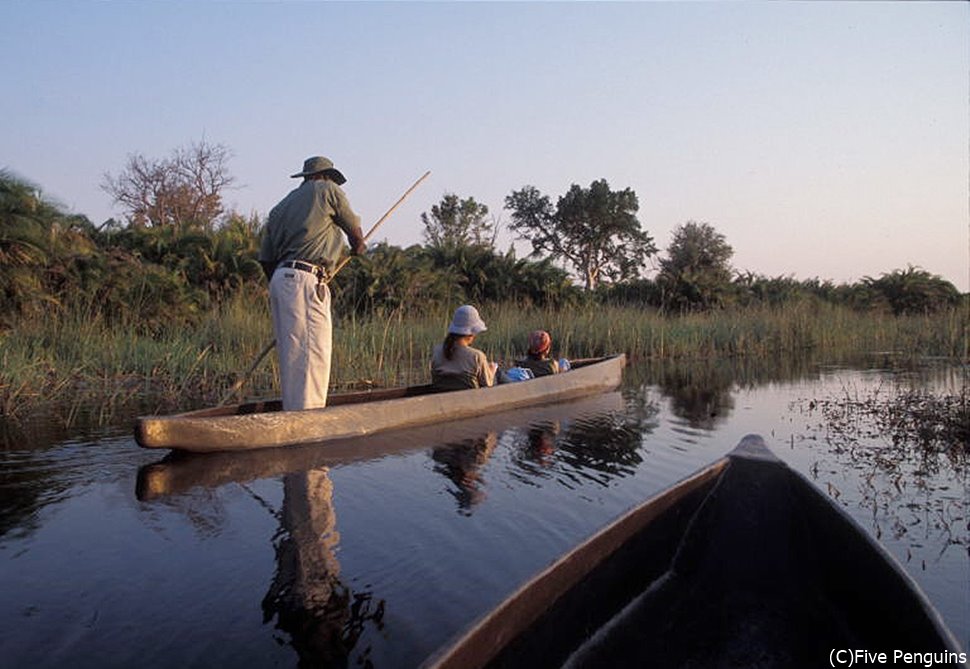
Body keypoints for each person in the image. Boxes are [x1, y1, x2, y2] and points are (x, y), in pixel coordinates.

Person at [259, 156, 366, 410]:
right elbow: (353, 229)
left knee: (292, 355)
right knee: (313, 355)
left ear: (306, 177)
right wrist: (358, 246)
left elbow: (265, 259)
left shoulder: (279, 207)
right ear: (325, 176)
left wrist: (286, 290)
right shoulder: (328, 190)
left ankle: (293, 412)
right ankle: (309, 419)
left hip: (280, 280)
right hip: (306, 279)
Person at [431, 305, 498, 391]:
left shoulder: (437, 351)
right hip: (472, 401)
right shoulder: (477, 356)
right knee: (499, 374)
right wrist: (492, 370)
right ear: (472, 334)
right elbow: (488, 386)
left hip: (442, 398)